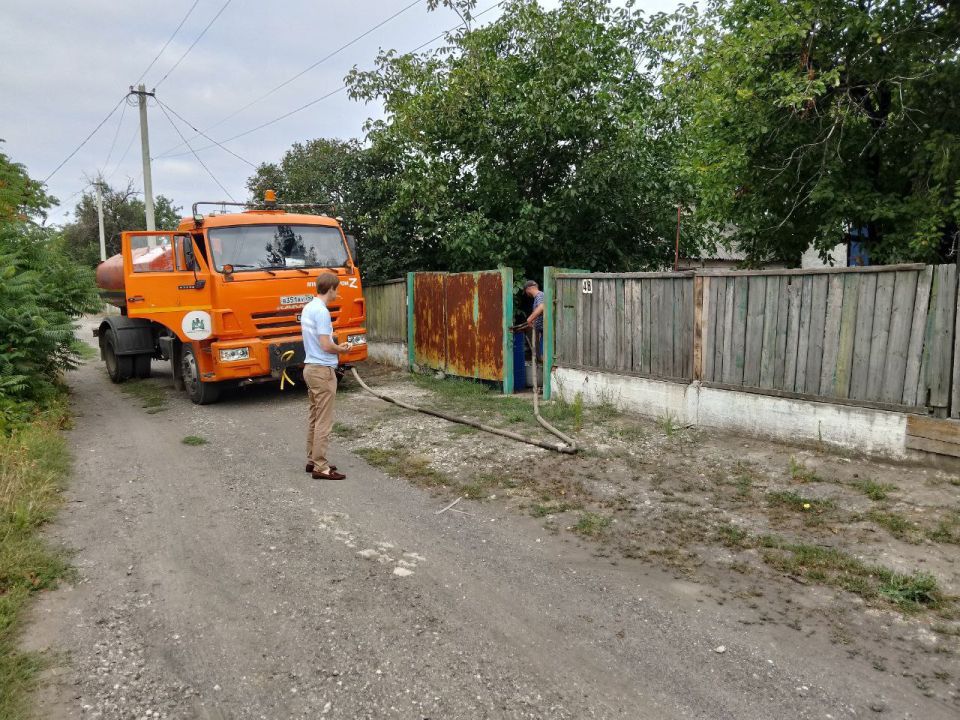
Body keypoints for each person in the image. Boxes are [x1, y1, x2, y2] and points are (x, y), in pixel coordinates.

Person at [301, 272, 351, 480]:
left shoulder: (308, 307)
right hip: (322, 370)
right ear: (330, 289)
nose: (337, 293)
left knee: (315, 417)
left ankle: (312, 460)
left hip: (310, 368)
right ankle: (321, 467)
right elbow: (325, 345)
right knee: (324, 420)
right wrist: (341, 349)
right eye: (336, 289)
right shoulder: (321, 311)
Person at [523, 279, 545, 359]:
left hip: (544, 330)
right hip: (542, 330)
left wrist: (530, 319)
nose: (527, 294)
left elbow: (542, 307)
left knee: (544, 355)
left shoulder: (540, 295)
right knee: (542, 355)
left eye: (526, 291)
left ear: (528, 289)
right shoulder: (538, 297)